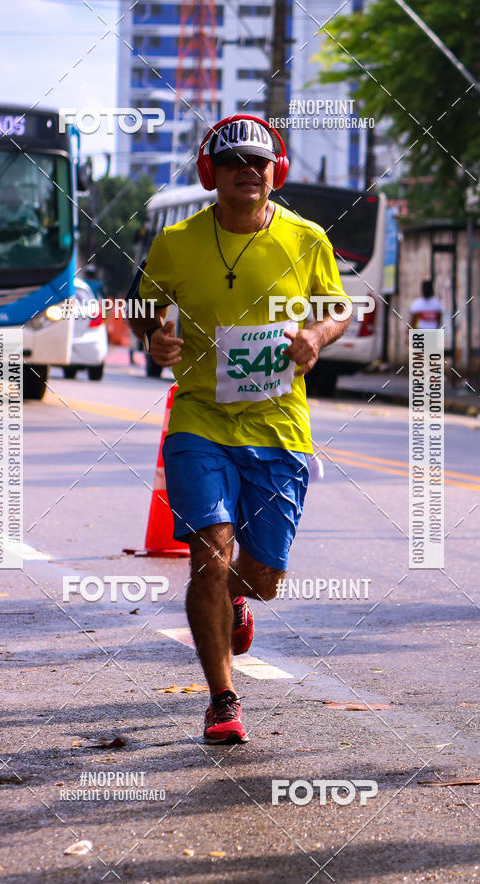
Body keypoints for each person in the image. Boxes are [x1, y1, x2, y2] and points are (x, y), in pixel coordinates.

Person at [130, 115, 351, 744]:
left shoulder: (306, 239)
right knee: (209, 556)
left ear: (274, 172)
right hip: (199, 418)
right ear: (212, 175)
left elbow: (337, 306)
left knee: (261, 578)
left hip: (279, 426)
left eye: (258, 163)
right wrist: (156, 338)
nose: (247, 173)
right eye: (233, 164)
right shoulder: (176, 243)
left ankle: (237, 600)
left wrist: (316, 335)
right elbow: (145, 304)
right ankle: (223, 699)